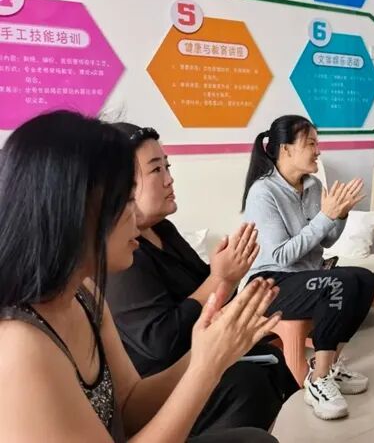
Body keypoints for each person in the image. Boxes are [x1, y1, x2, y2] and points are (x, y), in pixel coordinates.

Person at [0, 110, 281, 442]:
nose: (135, 211)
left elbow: (130, 406)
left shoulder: (85, 296)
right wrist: (206, 368)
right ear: (74, 210)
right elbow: (159, 344)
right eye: (124, 198)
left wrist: (209, 349)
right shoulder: (19, 344)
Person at [106, 124, 298, 436]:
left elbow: (208, 288)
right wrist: (221, 279)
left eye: (167, 166)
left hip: (191, 352)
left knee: (270, 358)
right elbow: (160, 342)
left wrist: (230, 278)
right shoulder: (121, 255)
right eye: (156, 170)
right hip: (162, 374)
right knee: (248, 381)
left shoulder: (163, 230)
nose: (169, 179)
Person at [242, 115, 374, 421]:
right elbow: (282, 256)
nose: (318, 151)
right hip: (268, 282)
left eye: (317, 143)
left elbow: (326, 240)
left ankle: (327, 367)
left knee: (365, 280)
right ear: (286, 150)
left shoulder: (313, 185)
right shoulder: (263, 192)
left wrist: (339, 215)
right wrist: (325, 217)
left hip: (304, 278)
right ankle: (317, 381)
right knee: (339, 283)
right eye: (311, 144)